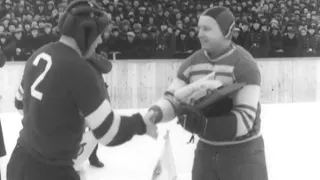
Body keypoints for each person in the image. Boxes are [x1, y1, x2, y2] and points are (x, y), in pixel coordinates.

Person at [7, 1, 157, 180]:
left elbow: (19, 104)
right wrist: (141, 123)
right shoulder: (80, 69)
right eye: (99, 35)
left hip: (19, 163)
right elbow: (109, 132)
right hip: (52, 171)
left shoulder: (39, 53)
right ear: (85, 32)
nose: (100, 40)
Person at [144, 6, 268, 180]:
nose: (199, 34)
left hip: (243, 154)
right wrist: (156, 112)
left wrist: (203, 125)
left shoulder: (244, 65)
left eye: (207, 29)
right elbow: (173, 98)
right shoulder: (192, 62)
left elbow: (245, 120)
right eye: (199, 28)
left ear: (226, 32)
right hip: (206, 152)